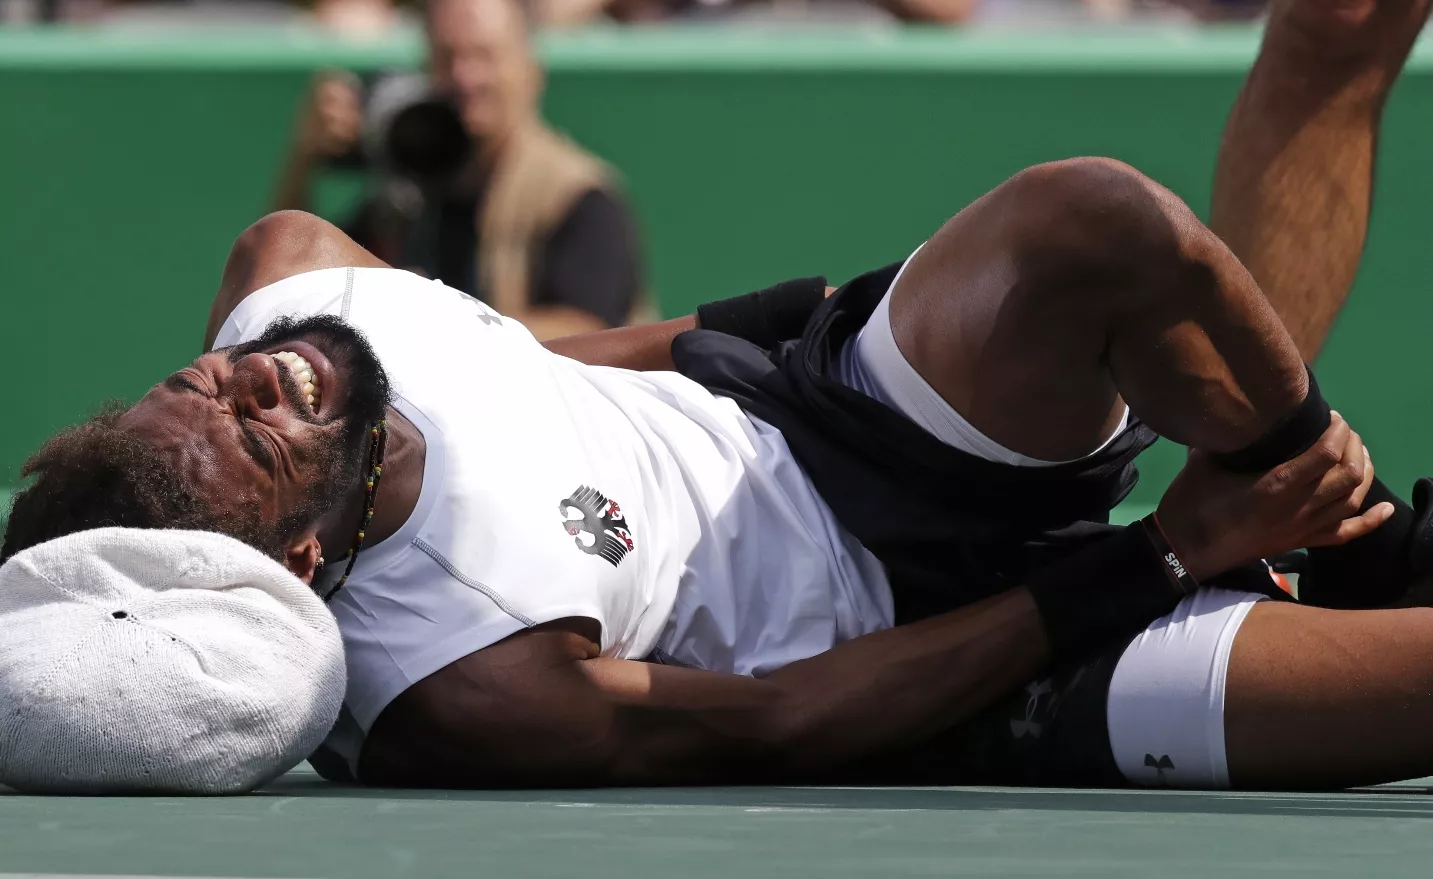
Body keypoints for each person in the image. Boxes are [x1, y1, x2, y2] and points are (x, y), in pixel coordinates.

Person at [2, 155, 1427, 792]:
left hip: (841, 426)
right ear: (303, 558)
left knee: (1093, 220)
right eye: (251, 433)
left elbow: (516, 359)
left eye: (196, 380)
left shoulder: (288, 283)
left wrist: (728, 326)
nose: (254, 376)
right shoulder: (467, 682)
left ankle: (1357, 546)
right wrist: (1155, 555)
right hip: (940, 667)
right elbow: (782, 718)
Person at [272, 0, 644, 341]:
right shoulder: (413, 186)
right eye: (448, 58)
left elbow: (589, 334)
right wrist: (303, 161)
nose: (465, 78)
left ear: (531, 70)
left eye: (484, 56)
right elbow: (290, 290)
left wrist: (424, 319)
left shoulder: (575, 194)